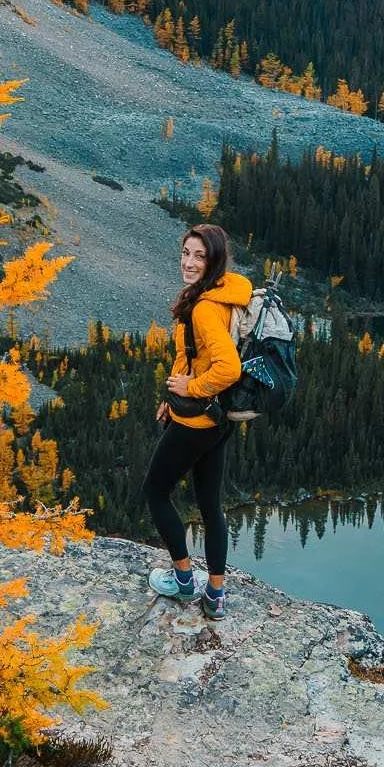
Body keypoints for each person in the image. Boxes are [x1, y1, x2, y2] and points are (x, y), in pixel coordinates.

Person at [142, 222, 251, 620]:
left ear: (214, 261)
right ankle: (216, 595)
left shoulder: (204, 308)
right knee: (210, 505)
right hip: (220, 419)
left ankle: (185, 580)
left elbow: (228, 367)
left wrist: (191, 390)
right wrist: (171, 398)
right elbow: (191, 356)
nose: (188, 262)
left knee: (155, 492)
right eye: (186, 253)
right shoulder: (224, 294)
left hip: (197, 421)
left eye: (199, 256)